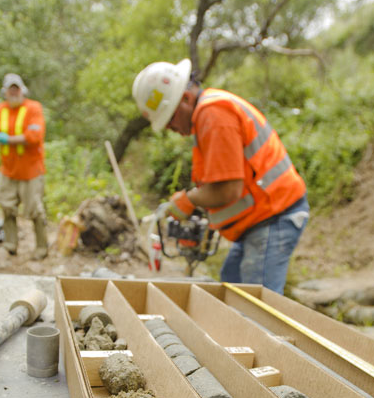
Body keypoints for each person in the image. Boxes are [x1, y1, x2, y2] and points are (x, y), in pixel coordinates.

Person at [132, 59, 309, 293]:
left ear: (185, 99)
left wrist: (189, 200)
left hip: (273, 218)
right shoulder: (210, 112)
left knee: (255, 308)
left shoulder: (213, 115)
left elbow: (228, 190)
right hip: (260, 220)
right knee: (231, 282)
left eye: (170, 118)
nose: (170, 128)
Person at [0, 73, 48, 259]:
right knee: (7, 207)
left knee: (34, 210)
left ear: (22, 90)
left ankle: (41, 248)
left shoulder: (33, 108)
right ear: (5, 92)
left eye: (16, 88)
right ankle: (10, 244)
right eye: (10, 89)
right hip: (8, 170)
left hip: (31, 171)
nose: (14, 92)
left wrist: (10, 140)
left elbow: (35, 136)